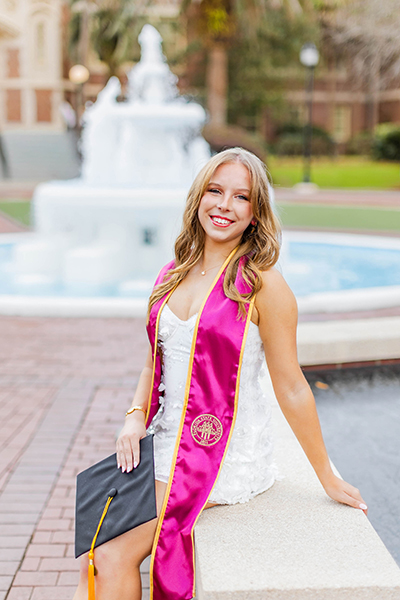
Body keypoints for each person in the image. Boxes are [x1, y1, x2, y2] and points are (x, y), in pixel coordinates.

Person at [73, 147, 367, 600]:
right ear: (199, 198)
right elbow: (156, 361)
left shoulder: (262, 283)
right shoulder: (173, 273)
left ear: (255, 213)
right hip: (164, 440)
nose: (224, 206)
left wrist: (325, 475)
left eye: (240, 197)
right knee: (94, 549)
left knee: (111, 553)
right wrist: (134, 416)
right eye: (215, 191)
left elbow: (290, 385)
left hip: (220, 450)